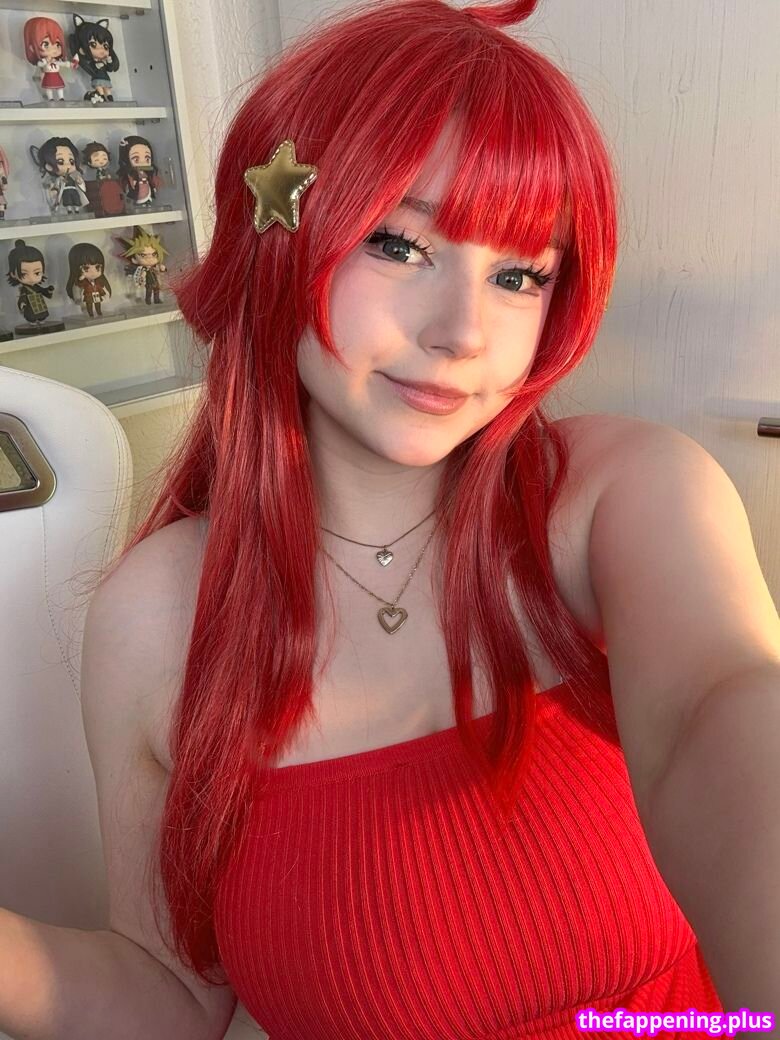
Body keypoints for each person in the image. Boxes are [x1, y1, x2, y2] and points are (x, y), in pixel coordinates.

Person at [3, 0, 779, 1036]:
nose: (464, 331)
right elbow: (172, 993)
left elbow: (720, 709)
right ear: (276, 239)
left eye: (519, 274)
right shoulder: (159, 615)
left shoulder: (620, 498)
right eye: (399, 243)